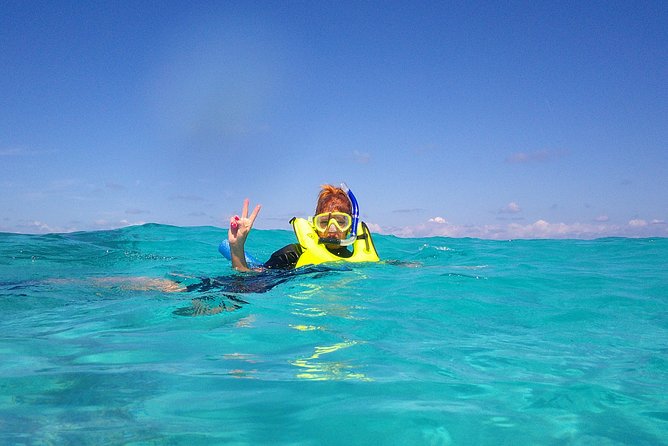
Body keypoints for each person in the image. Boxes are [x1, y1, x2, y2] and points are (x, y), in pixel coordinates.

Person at [227, 184, 379, 272]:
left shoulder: (362, 260)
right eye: (324, 222)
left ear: (350, 226)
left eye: (341, 221)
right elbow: (248, 284)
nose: (332, 229)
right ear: (314, 224)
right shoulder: (291, 255)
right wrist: (237, 247)